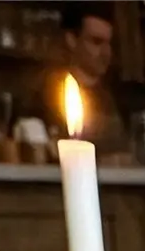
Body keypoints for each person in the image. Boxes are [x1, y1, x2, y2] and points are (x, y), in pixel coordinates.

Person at [35, 3, 124, 154]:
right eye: (96, 42)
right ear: (71, 40)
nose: (106, 53)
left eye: (109, 44)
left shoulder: (115, 95)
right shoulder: (48, 94)